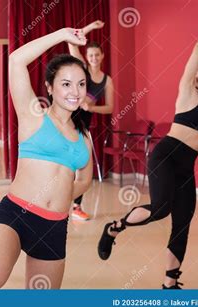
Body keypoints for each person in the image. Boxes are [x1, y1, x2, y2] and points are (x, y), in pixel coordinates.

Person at [97, 21, 198, 289]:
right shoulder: (187, 92)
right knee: (160, 210)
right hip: (165, 156)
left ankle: (170, 283)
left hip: (185, 168)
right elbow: (197, 48)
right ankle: (114, 227)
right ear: (196, 73)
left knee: (182, 222)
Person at [0, 27, 93, 289]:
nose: (75, 91)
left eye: (81, 84)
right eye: (66, 84)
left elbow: (85, 180)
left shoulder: (84, 136)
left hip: (54, 225)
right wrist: (63, 34)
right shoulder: (34, 115)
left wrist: (60, 193)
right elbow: (16, 61)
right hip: (16, 212)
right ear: (50, 87)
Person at [67, 20, 114, 221]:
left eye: (97, 54)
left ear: (102, 56)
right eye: (91, 55)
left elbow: (110, 108)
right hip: (67, 118)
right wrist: (89, 29)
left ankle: (76, 207)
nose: (94, 58)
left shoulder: (107, 80)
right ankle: (56, 201)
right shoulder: (83, 69)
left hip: (84, 123)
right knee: (64, 163)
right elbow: (71, 44)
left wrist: (92, 107)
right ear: (87, 57)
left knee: (81, 164)